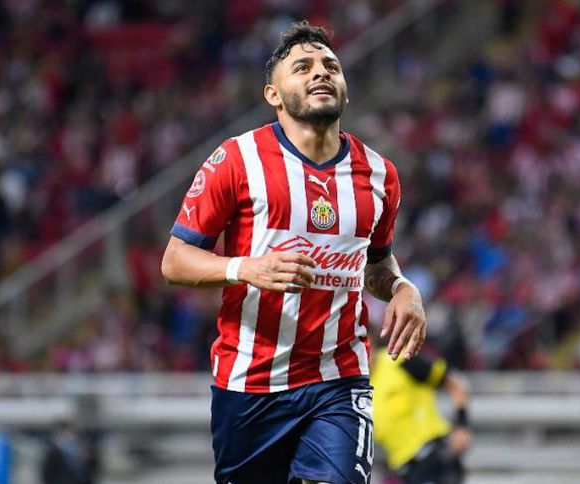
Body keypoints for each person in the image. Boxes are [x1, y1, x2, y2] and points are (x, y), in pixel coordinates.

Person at [161, 21, 427, 484]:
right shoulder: (237, 160)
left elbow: (376, 263)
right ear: (274, 95)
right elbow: (175, 261)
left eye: (331, 66)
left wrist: (403, 289)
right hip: (250, 384)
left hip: (338, 380)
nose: (321, 73)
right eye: (302, 67)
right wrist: (247, 268)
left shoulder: (380, 174)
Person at [371, 347, 472, 484]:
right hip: (405, 470)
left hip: (434, 457)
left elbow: (454, 383)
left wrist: (462, 425)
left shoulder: (399, 360)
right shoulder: (357, 388)